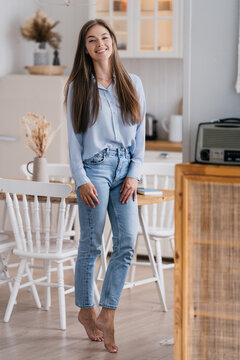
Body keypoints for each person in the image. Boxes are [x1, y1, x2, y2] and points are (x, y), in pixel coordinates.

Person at [64, 18, 146, 353]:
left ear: (113, 41)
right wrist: (80, 179)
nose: (100, 44)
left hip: (125, 169)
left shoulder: (133, 83)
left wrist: (134, 174)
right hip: (94, 170)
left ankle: (108, 312)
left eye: (105, 37)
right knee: (91, 244)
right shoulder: (78, 87)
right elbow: (72, 141)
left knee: (127, 240)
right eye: (92, 40)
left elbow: (139, 136)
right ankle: (86, 310)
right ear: (85, 48)